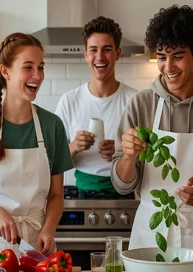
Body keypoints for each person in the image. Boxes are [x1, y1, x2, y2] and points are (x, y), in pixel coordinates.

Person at [112, 5, 193, 269]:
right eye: (161, 57)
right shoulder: (142, 104)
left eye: (177, 56)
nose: (168, 67)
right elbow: (123, 185)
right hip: (149, 235)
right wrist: (128, 157)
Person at [0, 33, 74, 264]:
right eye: (28, 67)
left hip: (39, 246)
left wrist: (49, 229)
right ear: (5, 71)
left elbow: (57, 195)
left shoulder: (52, 126)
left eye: (41, 67)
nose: (37, 76)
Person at [55, 16, 137, 193]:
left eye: (107, 49)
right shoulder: (69, 101)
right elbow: (52, 161)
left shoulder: (135, 101)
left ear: (118, 53)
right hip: (81, 193)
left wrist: (120, 154)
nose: (100, 57)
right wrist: (74, 146)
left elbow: (148, 158)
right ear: (85, 54)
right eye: (93, 50)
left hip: (124, 192)